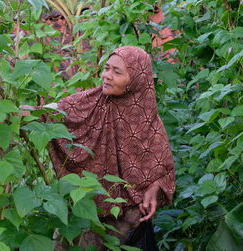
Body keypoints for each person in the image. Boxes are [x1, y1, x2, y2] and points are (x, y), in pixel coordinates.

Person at [24, 46, 175, 250]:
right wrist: (14, 113)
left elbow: (163, 165)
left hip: (128, 220)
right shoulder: (90, 101)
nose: (107, 76)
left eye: (117, 72)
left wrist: (155, 187)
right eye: (107, 68)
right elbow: (52, 113)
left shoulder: (148, 120)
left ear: (136, 80)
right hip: (85, 210)